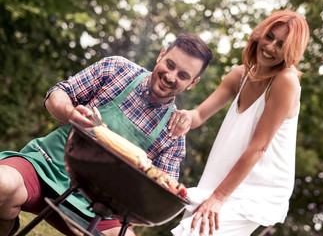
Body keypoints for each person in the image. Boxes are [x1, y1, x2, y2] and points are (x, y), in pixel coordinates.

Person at [0, 32, 213, 236]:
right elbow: (56, 95)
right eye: (170, 64)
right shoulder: (117, 68)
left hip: (103, 207)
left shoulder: (174, 133)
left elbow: (158, 198)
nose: (170, 76)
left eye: (183, 76)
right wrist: (70, 113)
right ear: (161, 55)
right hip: (46, 166)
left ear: (192, 84)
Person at [169, 10, 310, 236]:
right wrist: (186, 116)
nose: (271, 47)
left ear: (291, 50)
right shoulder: (240, 75)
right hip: (220, 180)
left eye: (282, 44)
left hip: (257, 191)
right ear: (260, 35)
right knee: (190, 228)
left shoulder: (286, 81)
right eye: (270, 36)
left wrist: (217, 198)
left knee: (192, 233)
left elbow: (259, 147)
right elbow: (200, 114)